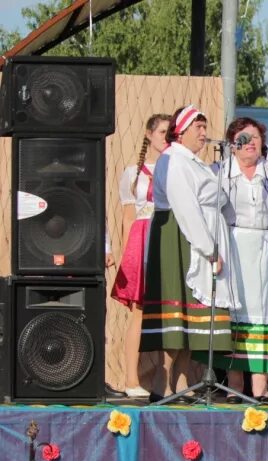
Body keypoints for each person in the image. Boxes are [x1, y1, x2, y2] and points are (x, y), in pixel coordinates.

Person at [140, 105, 238, 399]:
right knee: (176, 315)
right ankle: (162, 381)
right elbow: (185, 207)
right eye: (199, 128)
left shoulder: (195, 162)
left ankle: (181, 382)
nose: (204, 134)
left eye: (205, 128)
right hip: (178, 238)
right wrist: (209, 249)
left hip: (194, 236)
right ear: (180, 131)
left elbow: (218, 197)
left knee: (189, 318)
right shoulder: (173, 160)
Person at [214, 116, 268, 401]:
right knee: (236, 316)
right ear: (232, 144)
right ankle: (235, 386)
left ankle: (260, 389)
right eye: (243, 138)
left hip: (266, 249)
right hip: (234, 248)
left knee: (264, 313)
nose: (250, 143)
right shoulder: (220, 173)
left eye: (255, 137)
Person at [110, 113, 171, 399]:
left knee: (170, 311)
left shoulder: (176, 168)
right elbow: (127, 216)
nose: (165, 137)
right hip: (143, 237)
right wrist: (126, 258)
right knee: (140, 313)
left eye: (170, 133)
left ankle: (166, 381)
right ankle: (130, 378)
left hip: (170, 236)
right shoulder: (134, 173)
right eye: (161, 132)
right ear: (149, 134)